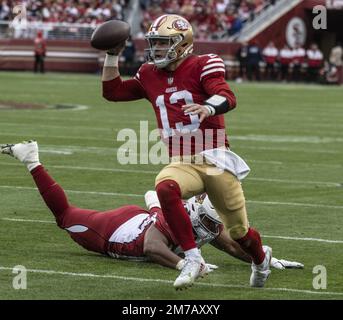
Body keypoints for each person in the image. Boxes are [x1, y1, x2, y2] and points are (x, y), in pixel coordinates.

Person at [102, 14, 272, 290]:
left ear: (182, 45)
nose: (156, 49)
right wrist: (111, 55)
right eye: (154, 43)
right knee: (165, 187)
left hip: (215, 158)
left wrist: (208, 108)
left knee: (240, 232)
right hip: (183, 160)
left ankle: (261, 259)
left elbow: (226, 95)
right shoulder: (148, 73)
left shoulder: (203, 64)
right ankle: (192, 257)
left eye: (162, 43)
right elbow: (113, 92)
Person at [0, 141, 304, 273]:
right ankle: (32, 159)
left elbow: (235, 248)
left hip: (147, 214)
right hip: (117, 229)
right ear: (195, 213)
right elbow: (152, 249)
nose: (215, 231)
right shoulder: (173, 223)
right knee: (65, 217)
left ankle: (153, 203)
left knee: (159, 206)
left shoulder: (202, 221)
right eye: (212, 224)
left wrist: (265, 260)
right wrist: (186, 264)